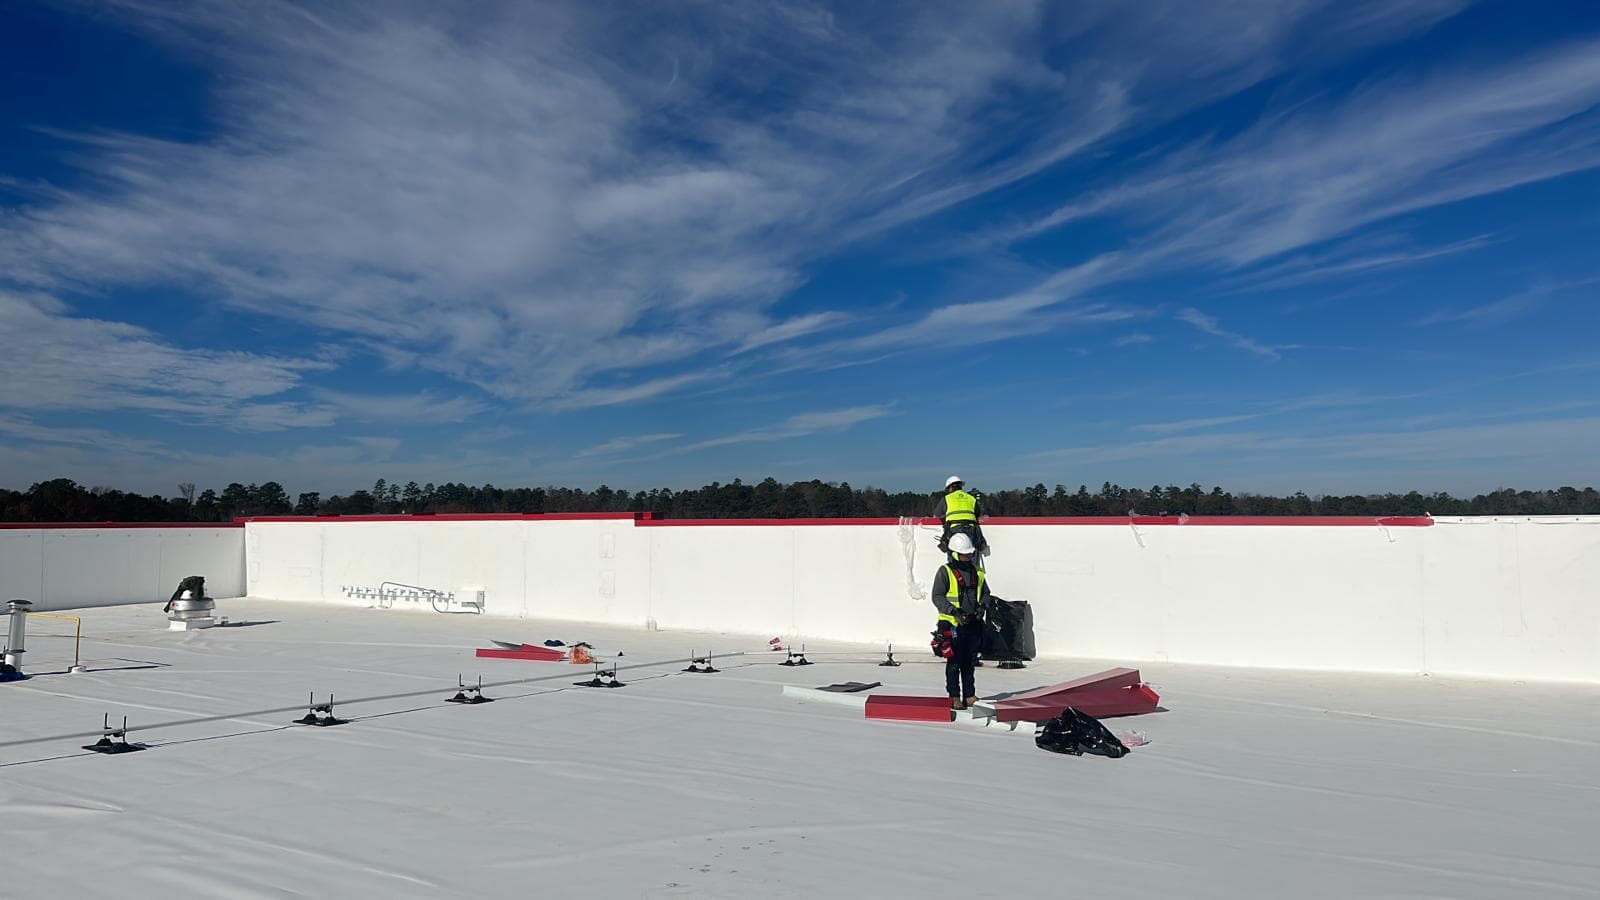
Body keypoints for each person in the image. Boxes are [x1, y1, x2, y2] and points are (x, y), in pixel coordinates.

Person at [930, 532, 990, 710]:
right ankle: (954, 696)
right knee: (954, 662)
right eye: (964, 554)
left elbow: (985, 593)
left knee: (969, 662)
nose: (968, 557)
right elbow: (937, 596)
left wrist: (982, 606)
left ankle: (969, 695)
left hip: (972, 624)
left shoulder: (977, 572)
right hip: (952, 624)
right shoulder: (945, 572)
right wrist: (954, 611)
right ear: (955, 554)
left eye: (969, 554)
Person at [933, 475, 989, 563]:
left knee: (954, 558)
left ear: (950, 487)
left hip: (954, 529)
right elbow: (978, 513)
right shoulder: (971, 498)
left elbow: (936, 515)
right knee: (971, 557)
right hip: (972, 529)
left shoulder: (947, 498)